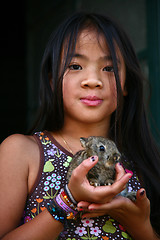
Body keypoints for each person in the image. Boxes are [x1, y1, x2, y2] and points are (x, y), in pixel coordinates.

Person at [0, 12, 160, 240]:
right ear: (51, 80)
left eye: (109, 68)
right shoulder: (22, 152)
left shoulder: (140, 161)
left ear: (126, 84)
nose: (93, 79)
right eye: (75, 66)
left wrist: (140, 225)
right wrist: (68, 201)